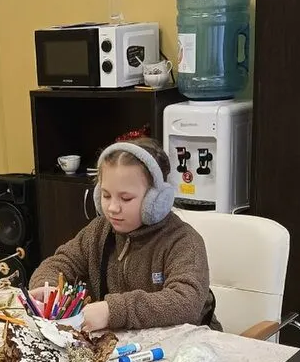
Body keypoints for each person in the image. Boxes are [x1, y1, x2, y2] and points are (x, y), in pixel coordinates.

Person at [28, 137, 214, 332]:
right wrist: (47, 289)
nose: (112, 208)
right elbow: (59, 263)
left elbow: (186, 301)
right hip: (124, 342)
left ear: (156, 199)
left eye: (126, 198)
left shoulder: (184, 241)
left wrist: (112, 311)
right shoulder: (98, 231)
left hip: (186, 345)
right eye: (106, 195)